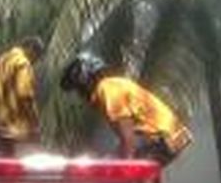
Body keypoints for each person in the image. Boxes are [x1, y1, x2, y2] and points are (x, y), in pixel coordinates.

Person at [60, 51, 193, 167]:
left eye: (79, 89)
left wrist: (125, 173)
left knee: (114, 174)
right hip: (171, 136)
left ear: (86, 81)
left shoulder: (106, 89)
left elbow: (129, 140)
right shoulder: (112, 85)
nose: (80, 95)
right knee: (115, 164)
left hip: (161, 138)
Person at [0, 37, 45, 157]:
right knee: (24, 169)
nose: (35, 62)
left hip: (2, 127)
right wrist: (35, 123)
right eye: (37, 56)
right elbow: (24, 95)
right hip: (19, 130)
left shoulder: (2, 61)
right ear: (30, 49)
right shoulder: (23, 63)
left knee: (5, 168)